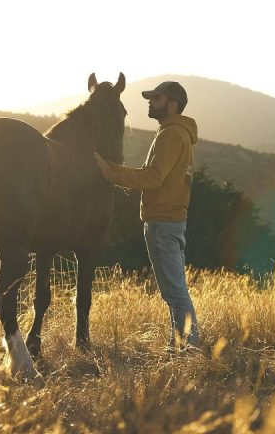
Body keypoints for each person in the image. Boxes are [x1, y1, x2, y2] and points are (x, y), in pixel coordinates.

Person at [94, 80, 200, 349]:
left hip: (163, 223)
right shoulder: (175, 133)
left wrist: (112, 177)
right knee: (172, 290)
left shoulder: (171, 135)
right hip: (168, 221)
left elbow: (153, 178)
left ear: (172, 105)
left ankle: (187, 348)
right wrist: (114, 168)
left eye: (157, 98)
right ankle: (181, 345)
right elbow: (149, 172)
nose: (150, 102)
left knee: (175, 291)